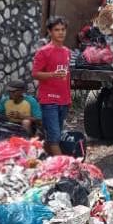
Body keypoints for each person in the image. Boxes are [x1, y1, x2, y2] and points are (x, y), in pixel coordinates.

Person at [32, 16, 72, 156]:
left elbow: (67, 78)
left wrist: (68, 99)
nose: (60, 33)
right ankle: (64, 167)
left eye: (63, 29)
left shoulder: (67, 52)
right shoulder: (43, 52)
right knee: (54, 137)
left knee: (55, 135)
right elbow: (35, 73)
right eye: (56, 30)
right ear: (50, 32)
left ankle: (43, 158)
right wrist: (53, 75)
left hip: (63, 100)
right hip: (49, 100)